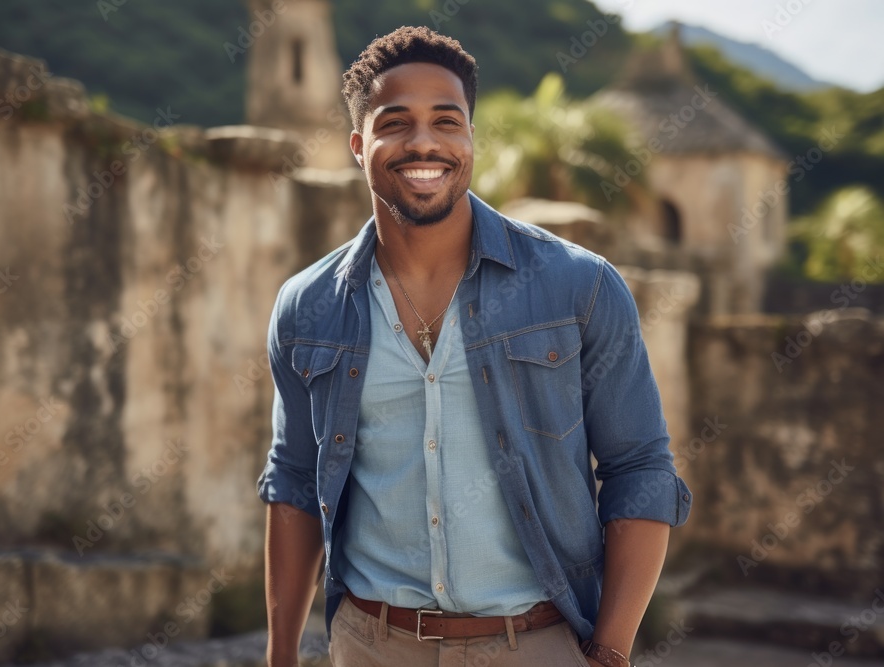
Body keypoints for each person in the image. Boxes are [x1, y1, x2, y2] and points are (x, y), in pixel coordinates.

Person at [257, 26, 692, 667]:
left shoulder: (580, 286)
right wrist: (280, 656)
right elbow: (294, 481)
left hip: (538, 644)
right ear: (358, 145)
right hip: (370, 645)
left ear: (470, 139)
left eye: (446, 121)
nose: (424, 142)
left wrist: (610, 651)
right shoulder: (307, 306)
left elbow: (640, 470)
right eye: (395, 122)